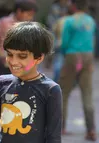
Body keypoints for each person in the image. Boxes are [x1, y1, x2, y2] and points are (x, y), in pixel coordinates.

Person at [0, 22, 62, 143]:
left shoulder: (50, 90)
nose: (13, 61)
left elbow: (53, 138)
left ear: (39, 57)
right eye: (10, 54)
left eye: (22, 56)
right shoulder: (1, 83)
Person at [59, 0, 97, 141]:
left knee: (63, 92)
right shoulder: (91, 21)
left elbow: (65, 42)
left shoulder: (69, 21)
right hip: (88, 55)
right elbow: (93, 41)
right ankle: (91, 129)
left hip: (72, 55)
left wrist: (65, 55)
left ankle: (60, 127)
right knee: (87, 93)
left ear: (73, 6)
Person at [0, 0, 37, 81]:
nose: (31, 18)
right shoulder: (4, 22)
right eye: (29, 14)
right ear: (19, 11)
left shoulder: (31, 25)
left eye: (32, 15)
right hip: (4, 65)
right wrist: (2, 55)